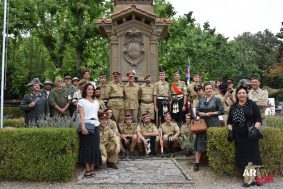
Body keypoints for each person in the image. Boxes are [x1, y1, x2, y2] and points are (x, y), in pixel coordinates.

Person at [227, 86, 262, 186]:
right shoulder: (233, 106)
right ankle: (252, 178)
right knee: (243, 156)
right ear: (237, 95)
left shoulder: (252, 104)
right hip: (238, 134)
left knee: (252, 156)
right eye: (239, 93)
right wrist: (230, 131)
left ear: (246, 94)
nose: (242, 95)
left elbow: (258, 119)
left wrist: (255, 129)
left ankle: (249, 179)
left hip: (250, 132)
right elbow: (229, 121)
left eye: (243, 93)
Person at [195, 82, 224, 172]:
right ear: (204, 90)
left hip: (214, 122)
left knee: (213, 141)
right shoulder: (201, 99)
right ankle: (197, 163)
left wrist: (211, 113)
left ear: (213, 89)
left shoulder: (217, 99)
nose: (208, 90)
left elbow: (221, 111)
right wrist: (202, 113)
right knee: (200, 141)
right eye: (206, 88)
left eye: (210, 88)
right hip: (202, 123)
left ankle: (214, 162)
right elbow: (197, 110)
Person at [78, 83, 101, 178]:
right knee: (86, 148)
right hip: (86, 125)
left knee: (95, 148)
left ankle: (92, 168)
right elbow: (82, 115)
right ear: (85, 90)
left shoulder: (96, 102)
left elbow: (95, 114)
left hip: (96, 126)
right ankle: (87, 168)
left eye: (92, 89)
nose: (90, 91)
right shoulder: (81, 101)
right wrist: (83, 127)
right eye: (88, 89)